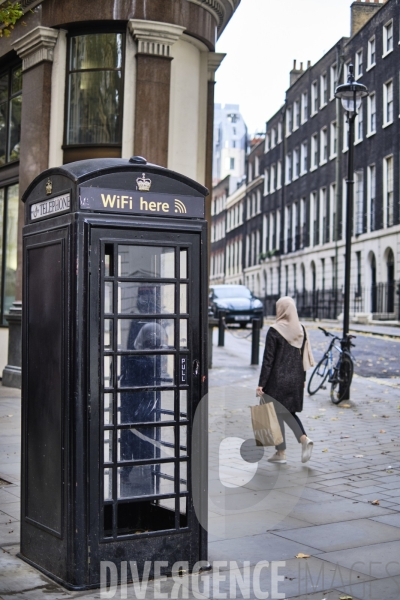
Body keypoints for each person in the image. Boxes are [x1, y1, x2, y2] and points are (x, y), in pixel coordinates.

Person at [256, 296, 315, 464]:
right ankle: (302, 440)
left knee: (276, 413)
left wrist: (261, 384)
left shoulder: (274, 330)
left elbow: (268, 360)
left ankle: (281, 452)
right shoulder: (301, 329)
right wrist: (303, 378)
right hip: (296, 379)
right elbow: (302, 356)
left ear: (281, 310)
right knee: (287, 412)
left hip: (277, 380)